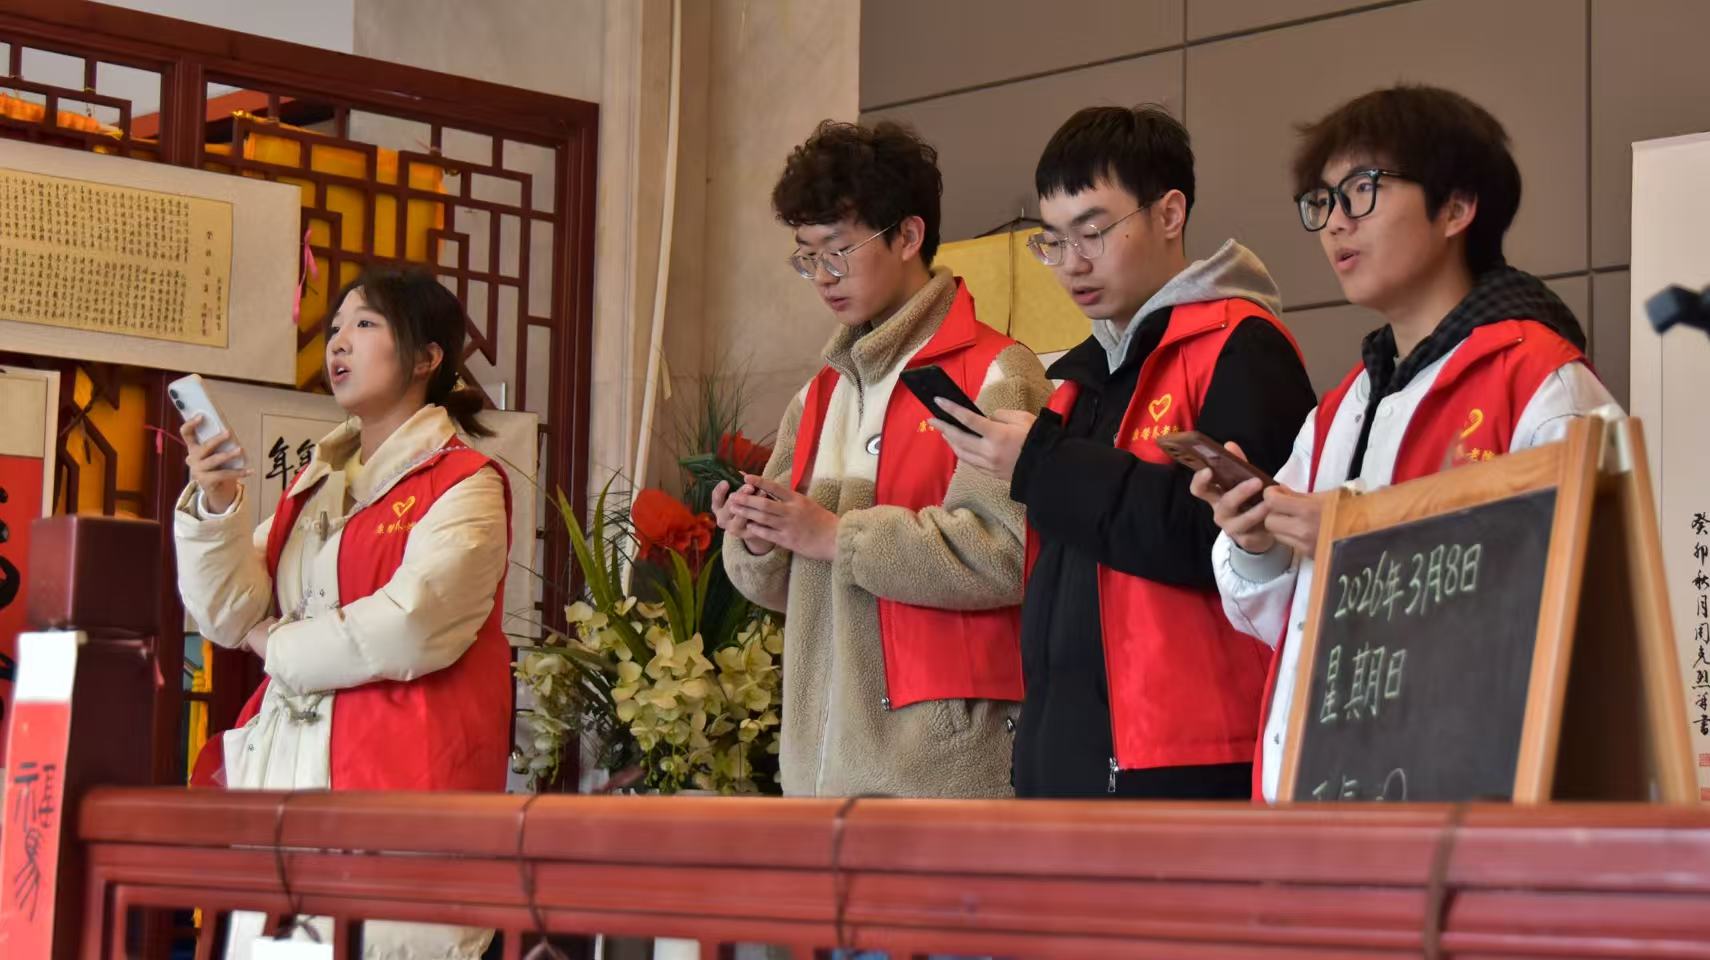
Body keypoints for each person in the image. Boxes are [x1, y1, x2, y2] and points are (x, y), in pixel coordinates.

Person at [1192, 85, 1617, 803]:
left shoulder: (1543, 383)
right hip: (1323, 791)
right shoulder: (1342, 407)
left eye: (1362, 190)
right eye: (1321, 200)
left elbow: (1585, 610)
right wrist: (1257, 544)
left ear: (1456, 207)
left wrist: (1361, 539)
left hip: (1464, 806)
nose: (1335, 223)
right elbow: (1288, 627)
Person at [933, 105, 1316, 798]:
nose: (1072, 264)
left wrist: (1041, 463)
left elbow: (1225, 541)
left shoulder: (1240, 347)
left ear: (1169, 213)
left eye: (1094, 232)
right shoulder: (1081, 381)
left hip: (1188, 764)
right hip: (1069, 758)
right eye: (1053, 241)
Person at [175, 266, 511, 958]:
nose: (338, 343)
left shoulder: (467, 485)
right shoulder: (317, 481)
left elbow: (412, 624)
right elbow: (228, 612)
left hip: (397, 784)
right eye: (334, 329)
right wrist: (218, 503)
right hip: (288, 776)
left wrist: (275, 645)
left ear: (426, 356)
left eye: (364, 324)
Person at [713, 119, 1052, 798]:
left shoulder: (995, 371)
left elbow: (1010, 555)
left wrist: (835, 536)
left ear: (908, 236)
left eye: (839, 250)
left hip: (944, 777)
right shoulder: (819, 394)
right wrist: (757, 535)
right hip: (818, 775)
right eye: (807, 256)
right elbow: (786, 587)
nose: (822, 277)